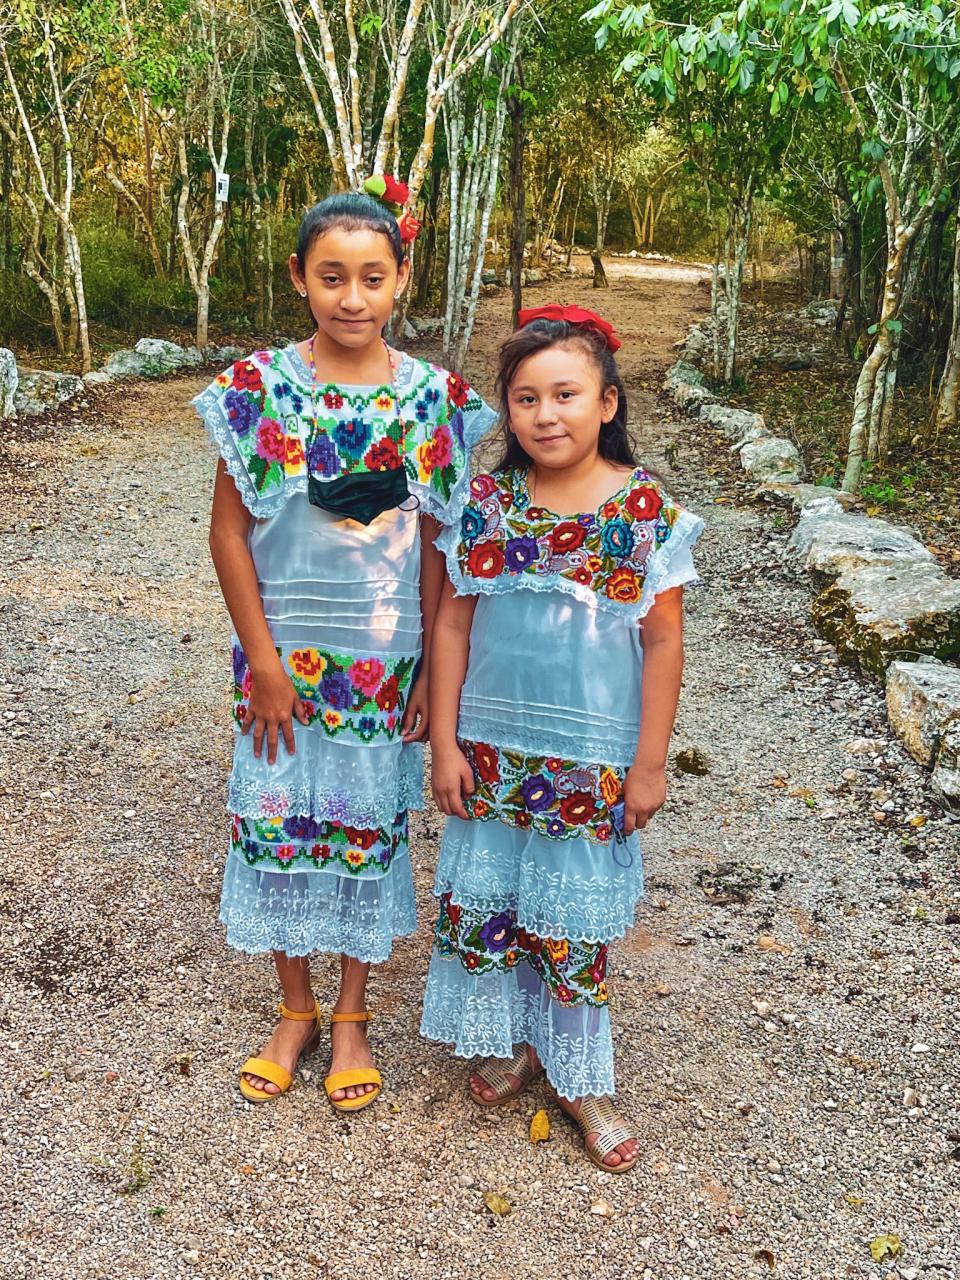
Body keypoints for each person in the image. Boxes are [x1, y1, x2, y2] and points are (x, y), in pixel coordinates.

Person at [194, 180, 494, 1111]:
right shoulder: (257, 389)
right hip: (281, 664)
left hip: (386, 663)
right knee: (278, 824)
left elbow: (443, 544)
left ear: (402, 278)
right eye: (332, 277)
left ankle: (354, 1013)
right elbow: (228, 534)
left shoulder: (435, 400)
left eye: (372, 277)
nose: (352, 297)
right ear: (300, 278)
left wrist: (430, 683)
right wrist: (266, 663)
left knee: (367, 835)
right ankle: (295, 1006)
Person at [421, 304, 703, 1171]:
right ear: (507, 412)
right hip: (493, 745)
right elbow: (454, 625)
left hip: (590, 756)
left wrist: (649, 763)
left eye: (567, 395)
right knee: (498, 904)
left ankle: (582, 1078)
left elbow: (662, 640)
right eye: (526, 398)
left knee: (572, 919)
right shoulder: (489, 503)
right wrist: (443, 741)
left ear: (608, 402)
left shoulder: (644, 509)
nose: (547, 415)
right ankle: (518, 1041)